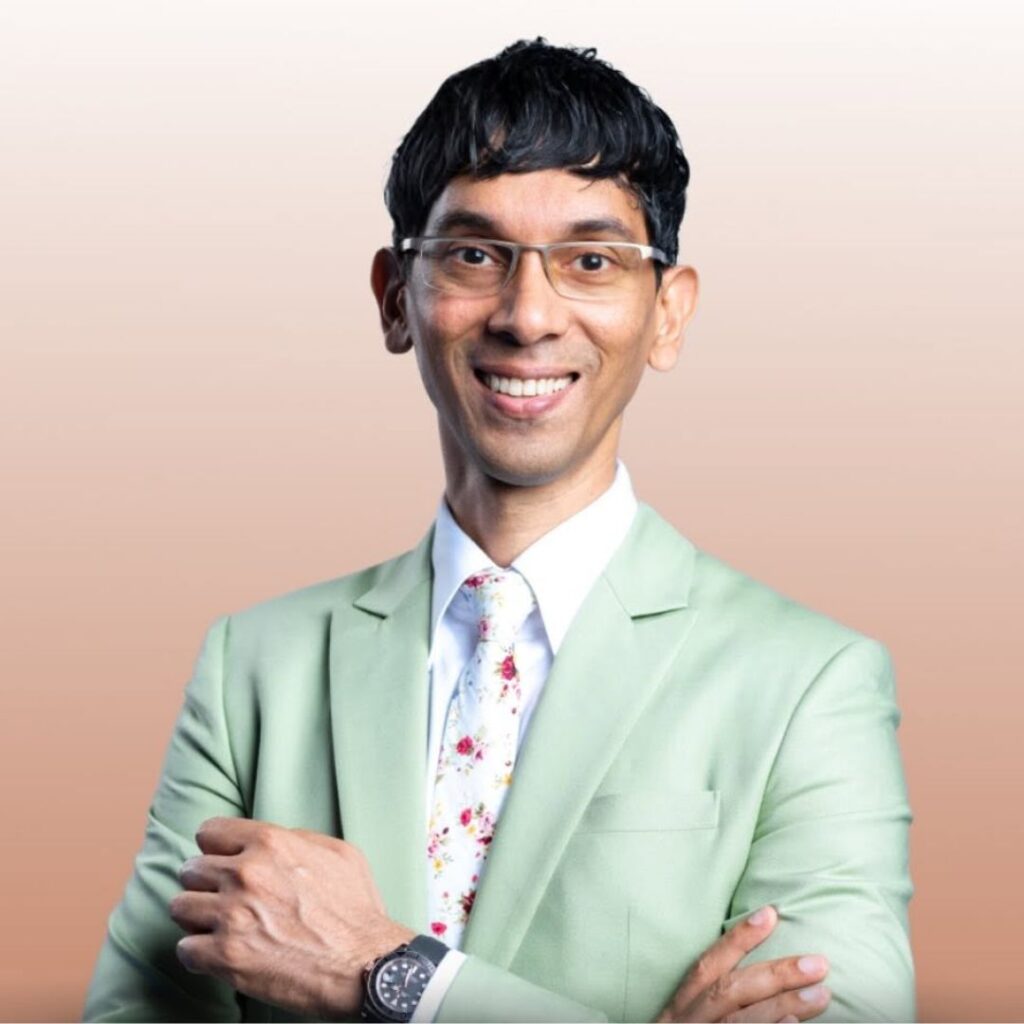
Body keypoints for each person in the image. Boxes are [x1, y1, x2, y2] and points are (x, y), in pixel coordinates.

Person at [83, 39, 915, 1024]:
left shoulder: (807, 682)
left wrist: (389, 972)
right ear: (398, 298)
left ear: (667, 315)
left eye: (592, 261)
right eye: (475, 254)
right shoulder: (253, 667)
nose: (528, 314)